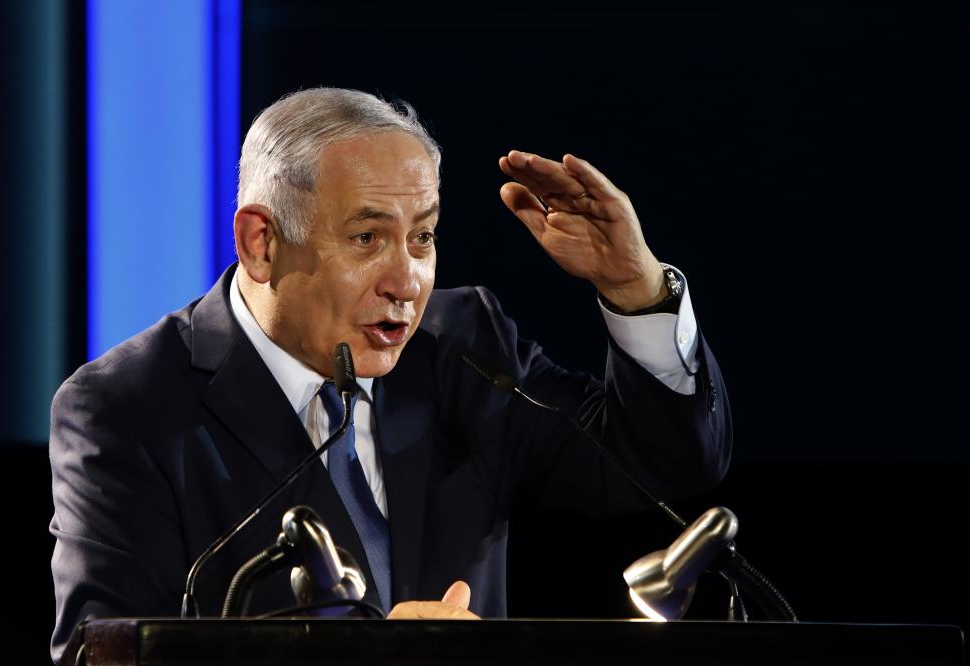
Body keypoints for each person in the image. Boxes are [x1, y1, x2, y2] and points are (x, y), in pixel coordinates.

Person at [49, 88, 731, 661]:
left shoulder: (465, 347)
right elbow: (103, 654)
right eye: (367, 238)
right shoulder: (126, 409)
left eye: (423, 236)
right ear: (262, 242)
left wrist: (636, 290)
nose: (407, 281)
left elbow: (662, 462)